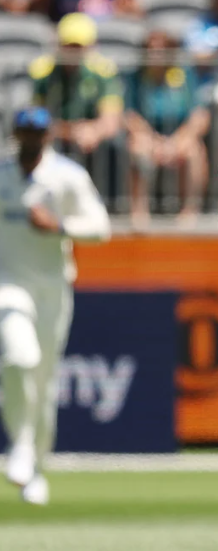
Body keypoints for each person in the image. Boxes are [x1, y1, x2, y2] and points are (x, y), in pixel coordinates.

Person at [0, 107, 111, 505]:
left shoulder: (67, 176)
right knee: (17, 358)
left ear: (48, 134)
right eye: (25, 130)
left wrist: (60, 226)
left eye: (38, 131)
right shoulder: (2, 175)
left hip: (52, 288)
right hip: (7, 286)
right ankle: (22, 446)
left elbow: (101, 227)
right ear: (16, 132)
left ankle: (35, 468)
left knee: (44, 384)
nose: (32, 137)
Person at [125, 29, 212, 228]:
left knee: (194, 150)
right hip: (147, 136)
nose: (156, 53)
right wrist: (153, 140)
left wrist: (176, 141)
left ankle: (189, 211)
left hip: (178, 137)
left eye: (161, 48)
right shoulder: (135, 77)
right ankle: (139, 212)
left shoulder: (184, 75)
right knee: (137, 148)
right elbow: (129, 115)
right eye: (151, 49)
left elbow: (199, 114)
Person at [29, 13, 124, 189]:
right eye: (68, 45)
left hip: (93, 145)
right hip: (57, 138)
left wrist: (94, 131)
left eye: (78, 46)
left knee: (114, 145)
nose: (72, 52)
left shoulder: (103, 71)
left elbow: (111, 121)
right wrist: (70, 131)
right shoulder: (43, 72)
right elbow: (36, 119)